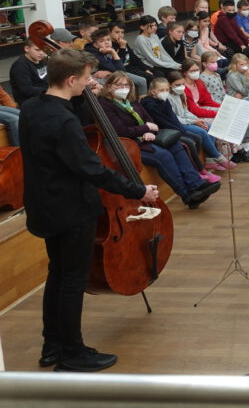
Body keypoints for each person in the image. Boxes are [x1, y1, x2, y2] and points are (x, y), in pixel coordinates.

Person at [21, 49, 160, 372]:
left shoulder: (32, 108)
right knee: (72, 280)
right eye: (85, 79)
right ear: (71, 79)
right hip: (71, 210)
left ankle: (52, 345)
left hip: (44, 205)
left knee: (57, 275)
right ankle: (72, 353)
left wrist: (86, 98)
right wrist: (138, 189)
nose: (89, 84)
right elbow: (92, 169)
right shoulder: (64, 121)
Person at [97, 71, 217, 209]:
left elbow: (149, 119)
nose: (123, 88)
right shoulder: (105, 104)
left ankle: (196, 185)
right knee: (163, 155)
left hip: (145, 137)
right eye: (118, 85)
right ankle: (187, 194)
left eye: (126, 85)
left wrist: (148, 130)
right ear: (109, 86)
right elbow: (120, 130)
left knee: (176, 145)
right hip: (128, 144)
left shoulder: (131, 101)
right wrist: (145, 129)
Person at [10, 41, 48, 105]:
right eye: (37, 50)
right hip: (30, 102)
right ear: (27, 49)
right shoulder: (20, 66)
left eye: (44, 49)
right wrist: (50, 91)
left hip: (44, 95)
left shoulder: (42, 60)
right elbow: (27, 90)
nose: (41, 53)